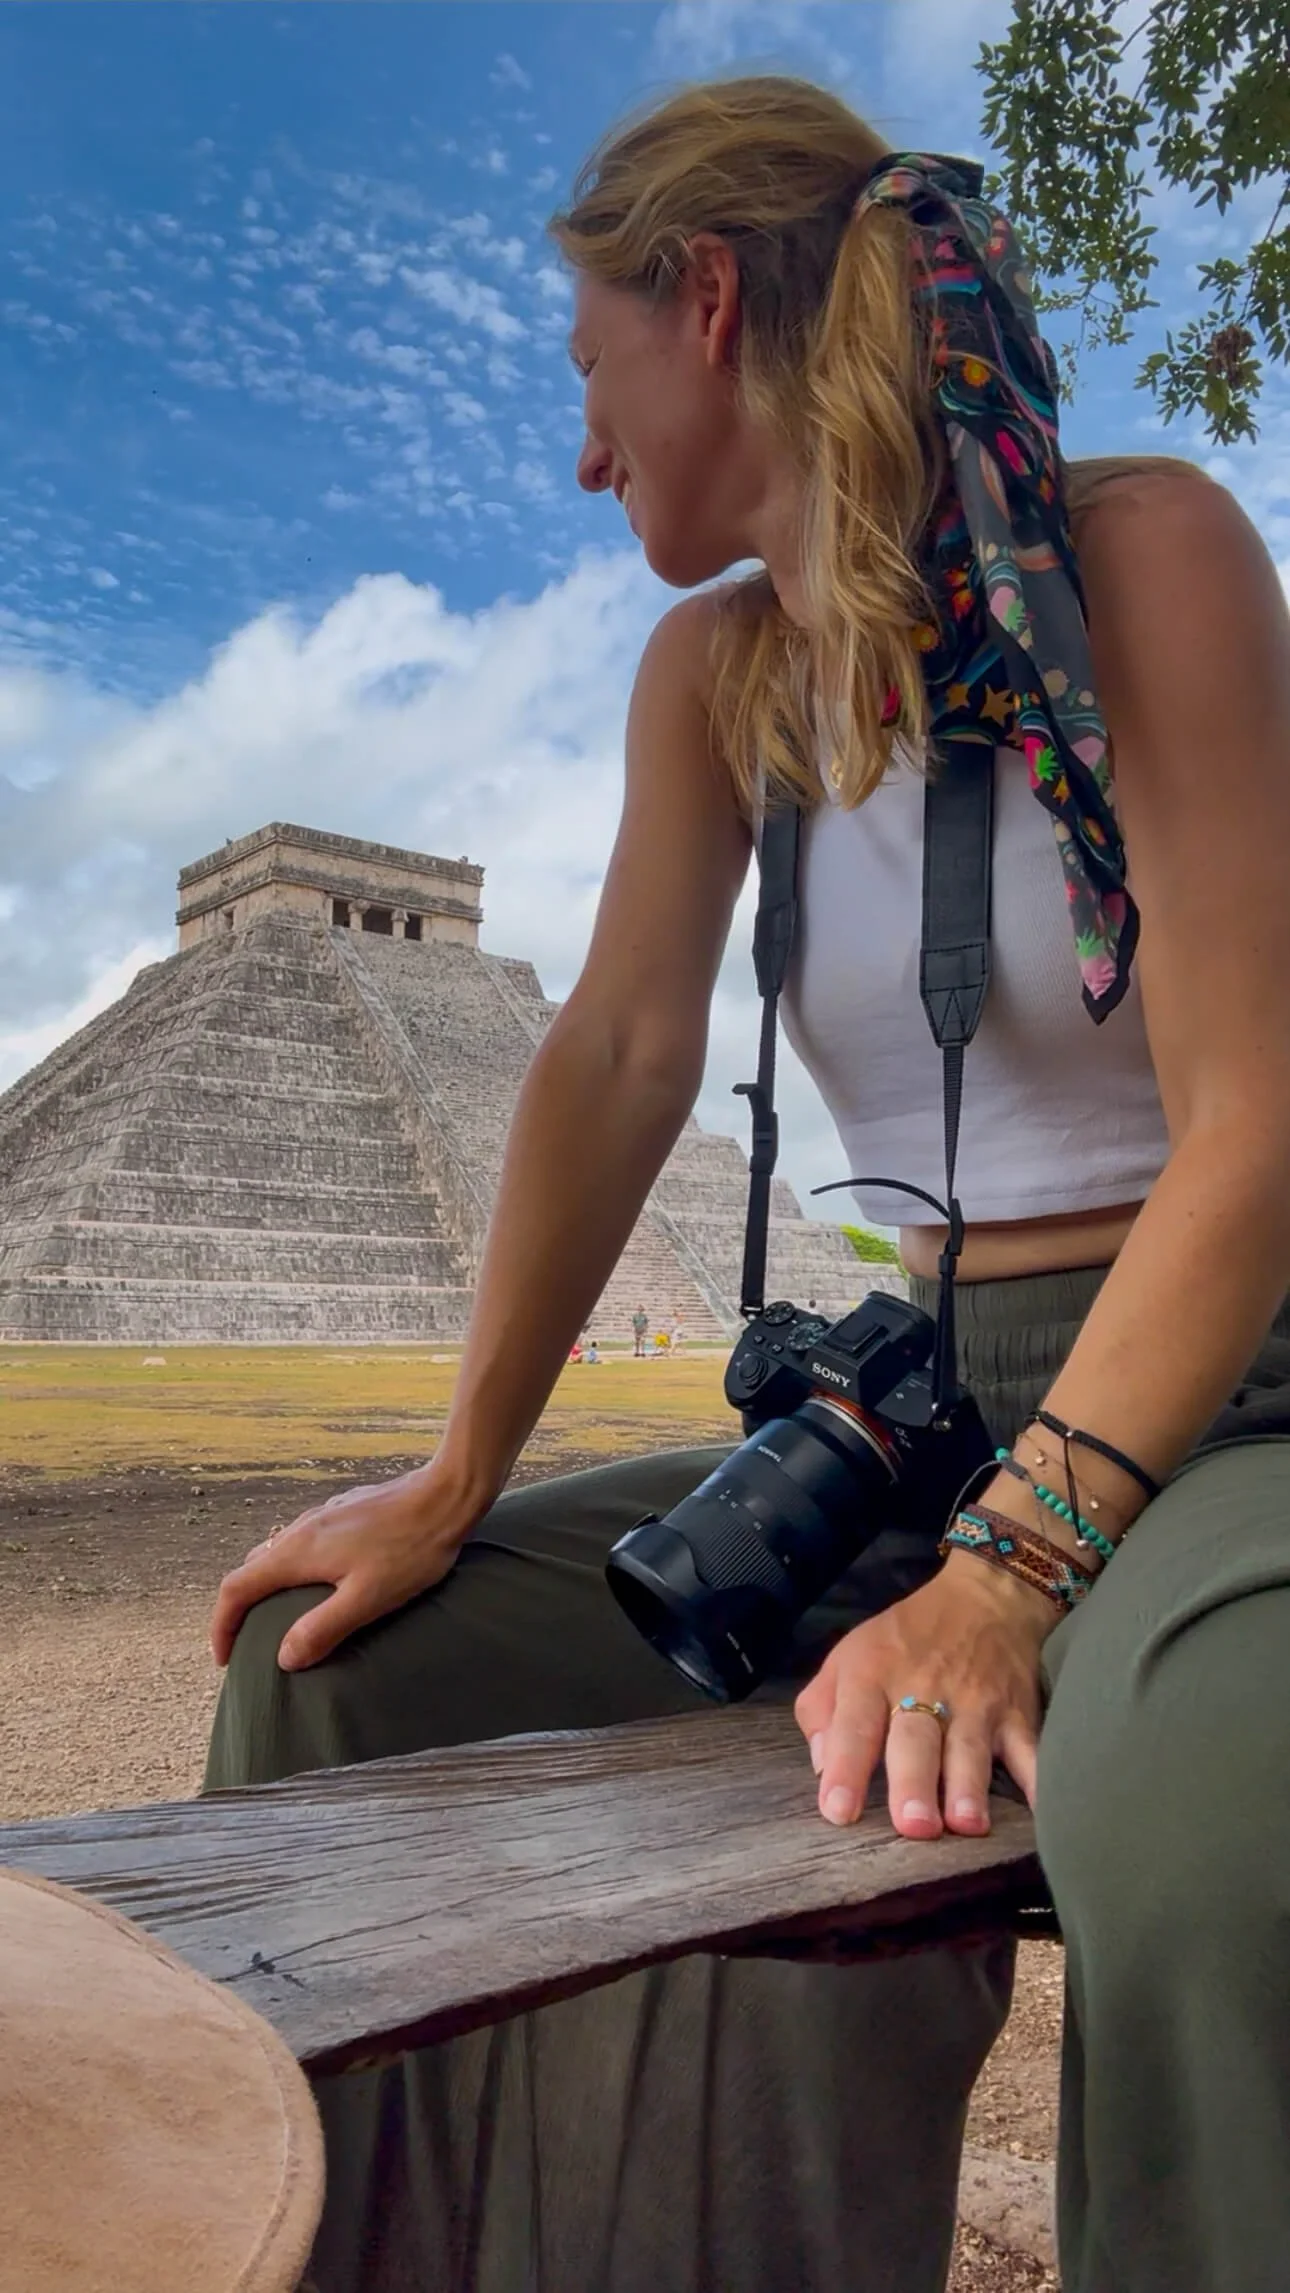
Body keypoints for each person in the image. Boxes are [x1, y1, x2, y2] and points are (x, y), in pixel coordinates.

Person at [204, 74, 1290, 2293]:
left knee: (1209, 1833)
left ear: (706, 304)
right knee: (333, 1674)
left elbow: (1262, 1120)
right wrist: (453, 1473)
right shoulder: (719, 680)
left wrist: (1009, 1577)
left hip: (1223, 1388)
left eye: (591, 374)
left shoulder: (1141, 556)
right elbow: (614, 1056)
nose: (584, 451)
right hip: (931, 1391)